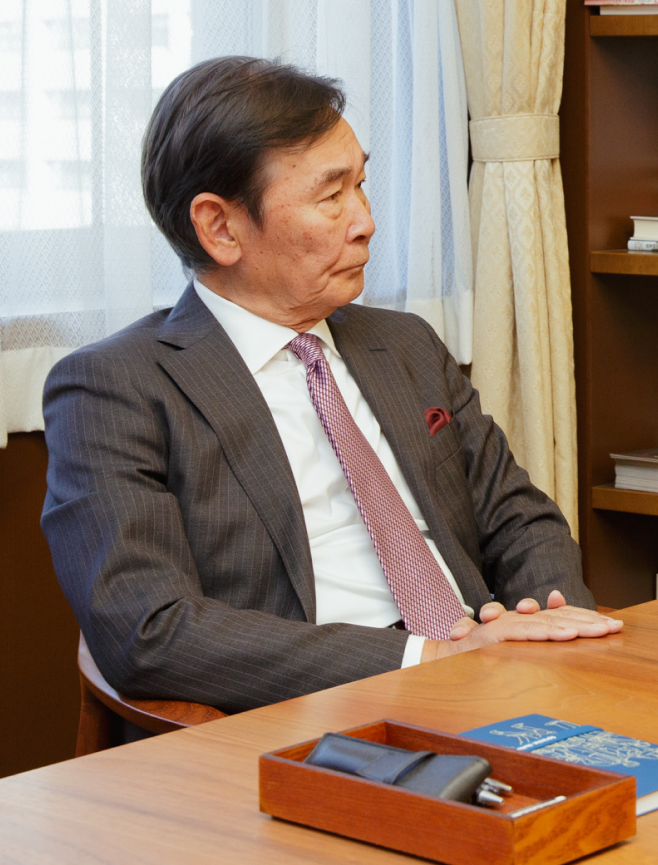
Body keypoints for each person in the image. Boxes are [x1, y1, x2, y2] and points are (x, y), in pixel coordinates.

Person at [42, 57, 621, 713]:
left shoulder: (402, 345)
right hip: (316, 717)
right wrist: (430, 659)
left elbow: (518, 516)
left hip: (497, 681)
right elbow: (148, 631)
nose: (364, 221)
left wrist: (552, 623)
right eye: (331, 196)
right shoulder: (115, 389)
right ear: (221, 227)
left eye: (361, 185)